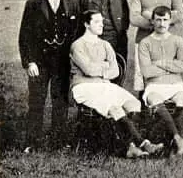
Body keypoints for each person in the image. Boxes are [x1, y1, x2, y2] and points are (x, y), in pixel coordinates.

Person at [70, 10, 163, 158]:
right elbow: (88, 70)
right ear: (86, 24)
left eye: (102, 21)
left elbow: (115, 71)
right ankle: (141, 144)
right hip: (84, 87)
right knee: (114, 108)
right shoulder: (78, 45)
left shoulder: (105, 44)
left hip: (105, 85)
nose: (102, 24)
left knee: (133, 104)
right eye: (97, 22)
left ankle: (130, 145)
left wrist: (99, 68)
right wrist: (104, 66)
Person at [19, 0, 80, 152]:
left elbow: (76, 34)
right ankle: (32, 142)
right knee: (37, 101)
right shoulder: (33, 4)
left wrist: (73, 61)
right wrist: (29, 61)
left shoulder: (72, 4)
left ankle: (58, 141)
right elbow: (24, 36)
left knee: (60, 101)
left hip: (62, 61)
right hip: (39, 61)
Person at [130, 0, 183, 95]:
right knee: (142, 75)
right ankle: (143, 111)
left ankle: (169, 108)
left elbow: (179, 15)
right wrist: (161, 21)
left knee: (167, 72)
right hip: (143, 40)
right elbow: (134, 18)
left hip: (168, 41)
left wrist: (148, 14)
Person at [138, 6, 183, 155]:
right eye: (158, 20)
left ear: (170, 21)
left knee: (182, 99)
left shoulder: (177, 40)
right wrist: (171, 65)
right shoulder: (145, 42)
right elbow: (147, 71)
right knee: (154, 99)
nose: (162, 23)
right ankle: (178, 139)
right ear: (152, 21)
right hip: (155, 84)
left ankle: (180, 137)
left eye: (165, 20)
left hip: (176, 83)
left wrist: (160, 63)